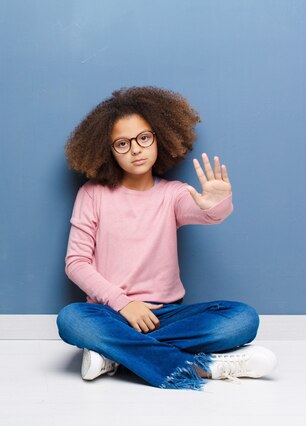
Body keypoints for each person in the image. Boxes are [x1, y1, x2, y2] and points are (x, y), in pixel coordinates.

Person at [56, 86, 277, 390]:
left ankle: (114, 355)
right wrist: (123, 304)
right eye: (122, 143)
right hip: (111, 313)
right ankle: (206, 367)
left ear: (159, 136)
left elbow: (207, 214)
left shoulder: (173, 194)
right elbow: (76, 263)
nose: (135, 149)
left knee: (243, 319)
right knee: (72, 319)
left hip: (169, 316)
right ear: (108, 150)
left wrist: (217, 203)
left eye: (143, 138)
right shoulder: (92, 195)